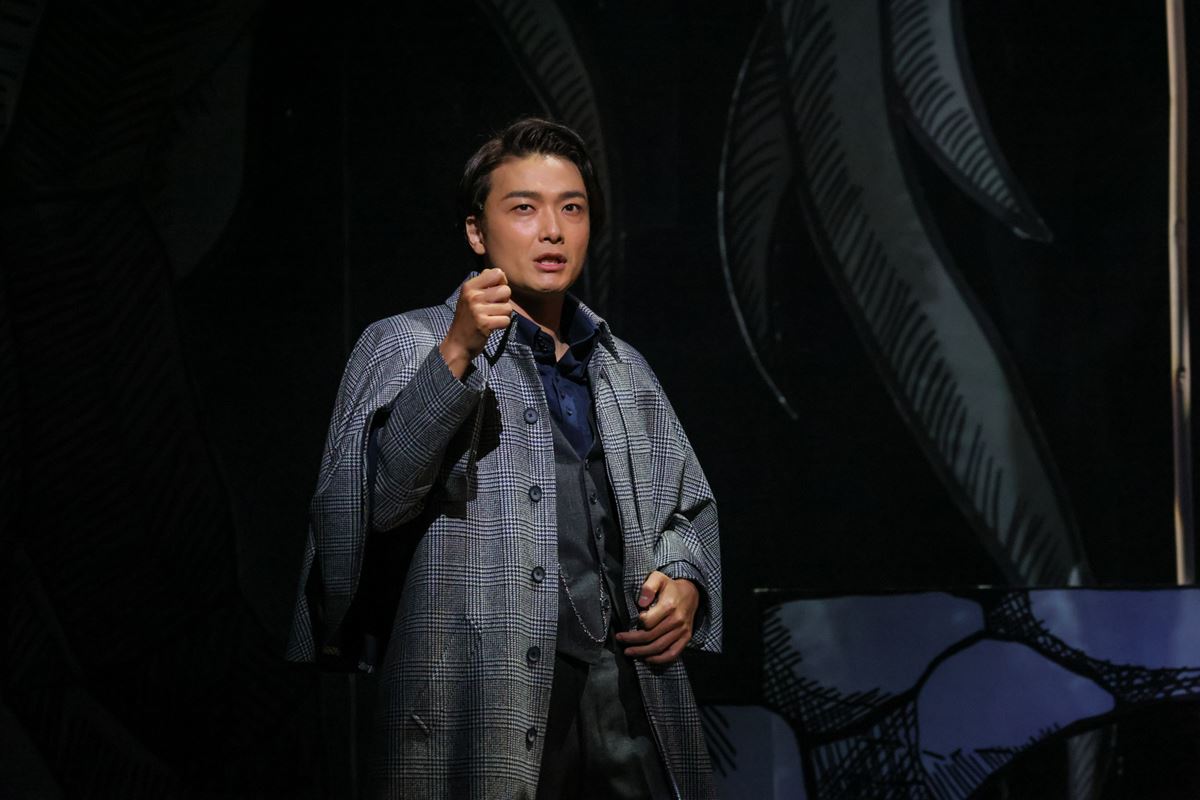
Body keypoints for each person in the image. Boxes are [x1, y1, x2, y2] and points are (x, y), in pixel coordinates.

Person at [286, 117, 722, 799]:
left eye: (571, 209)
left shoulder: (623, 367)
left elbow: (685, 506)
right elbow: (380, 502)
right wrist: (458, 352)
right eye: (524, 208)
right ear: (476, 231)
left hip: (623, 688)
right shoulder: (404, 344)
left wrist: (687, 581)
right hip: (476, 694)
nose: (552, 231)